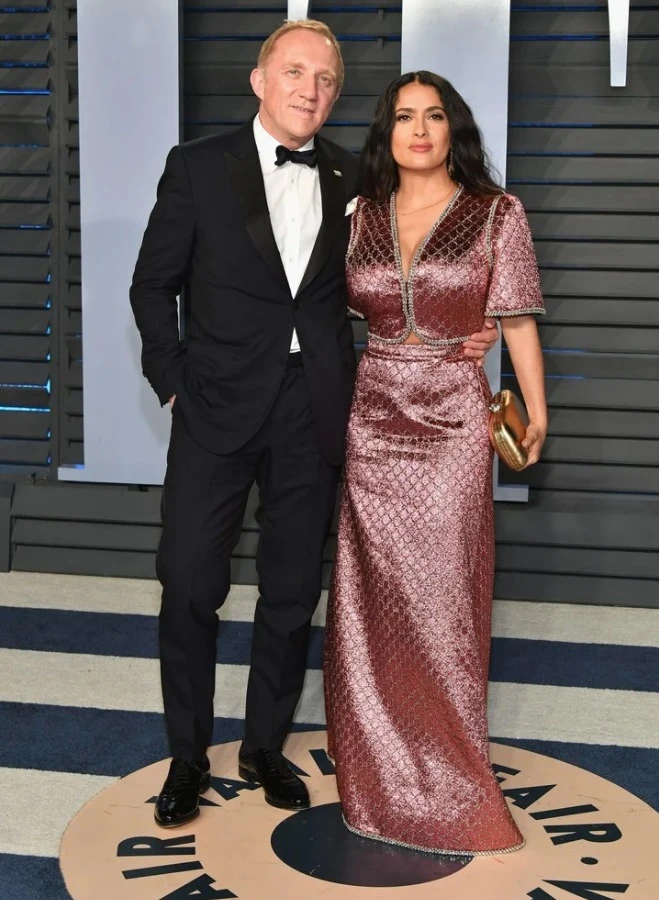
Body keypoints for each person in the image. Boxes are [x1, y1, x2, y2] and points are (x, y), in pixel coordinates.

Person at [130, 20, 498, 829]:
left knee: (292, 590)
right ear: (259, 81)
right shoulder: (196, 166)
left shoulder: (355, 177)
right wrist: (173, 384)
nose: (311, 89)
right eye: (295, 72)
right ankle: (187, 756)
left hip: (318, 407)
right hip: (214, 406)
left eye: (326, 79)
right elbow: (152, 286)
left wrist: (470, 325)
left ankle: (265, 746)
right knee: (188, 582)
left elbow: (404, 271)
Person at [324, 71, 547, 856]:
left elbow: (514, 317)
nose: (418, 130)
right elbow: (323, 307)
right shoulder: (358, 214)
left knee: (445, 596)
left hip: (452, 416)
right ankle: (375, 766)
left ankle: (449, 778)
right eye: (403, 117)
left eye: (433, 116)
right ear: (384, 132)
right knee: (371, 597)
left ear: (454, 129)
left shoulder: (496, 212)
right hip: (373, 415)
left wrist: (535, 408)